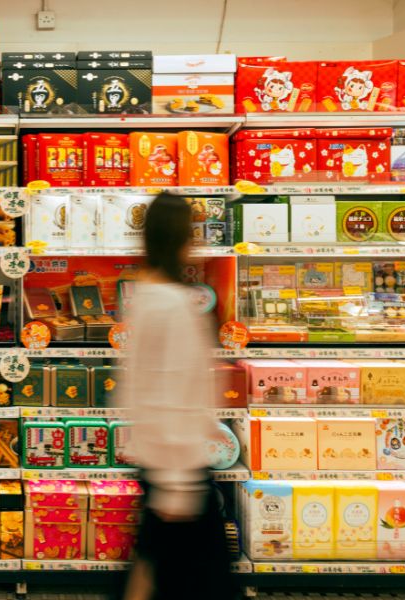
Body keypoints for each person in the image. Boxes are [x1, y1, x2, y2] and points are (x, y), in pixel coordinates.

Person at [117, 193, 235, 600]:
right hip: (178, 467)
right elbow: (173, 392)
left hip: (158, 460)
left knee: (152, 570)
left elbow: (137, 386)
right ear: (181, 238)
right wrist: (176, 484)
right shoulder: (173, 303)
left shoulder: (146, 296)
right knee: (193, 581)